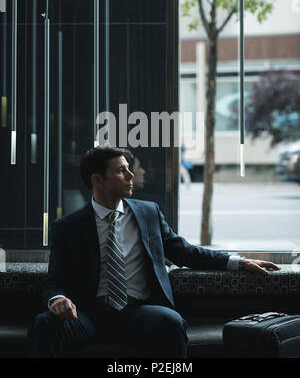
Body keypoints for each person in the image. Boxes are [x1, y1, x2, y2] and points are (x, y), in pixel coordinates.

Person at [27, 146, 280, 358]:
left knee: (171, 322)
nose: (131, 175)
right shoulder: (68, 227)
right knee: (44, 325)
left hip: (138, 311)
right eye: (121, 170)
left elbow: (185, 252)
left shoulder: (148, 212)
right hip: (87, 313)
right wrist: (56, 299)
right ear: (97, 180)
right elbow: (55, 281)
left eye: (129, 169)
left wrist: (237, 262)